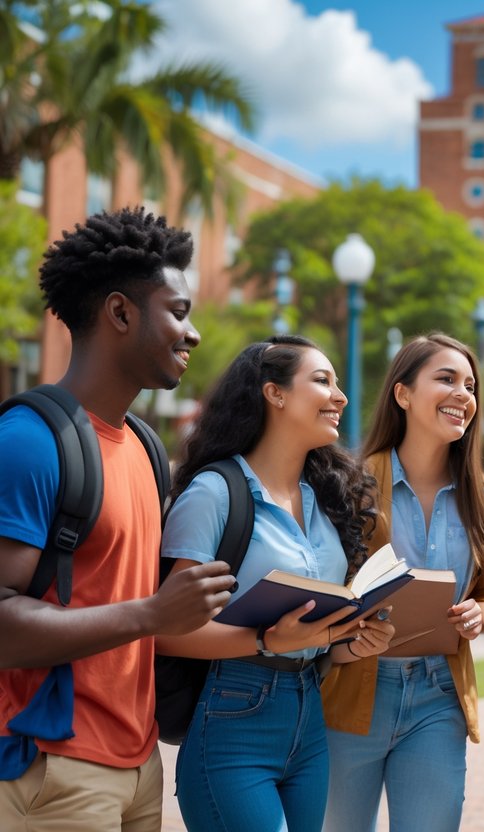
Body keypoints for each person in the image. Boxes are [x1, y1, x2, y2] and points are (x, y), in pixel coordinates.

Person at [0, 208, 236, 831]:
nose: (194, 334)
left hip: (139, 763)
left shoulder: (145, 446)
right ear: (121, 313)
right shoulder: (27, 441)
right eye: (179, 312)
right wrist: (154, 614)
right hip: (54, 765)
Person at [156, 335, 394, 832]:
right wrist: (264, 639)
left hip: (308, 717)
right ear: (275, 393)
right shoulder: (213, 493)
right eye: (322, 381)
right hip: (232, 715)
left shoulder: (326, 500)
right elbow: (163, 629)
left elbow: (313, 636)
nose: (341, 396)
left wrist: (352, 642)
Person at [321, 333, 484, 832]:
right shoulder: (351, 485)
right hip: (351, 690)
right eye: (446, 379)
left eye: (470, 385)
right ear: (402, 394)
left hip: (437, 697)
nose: (463, 394)